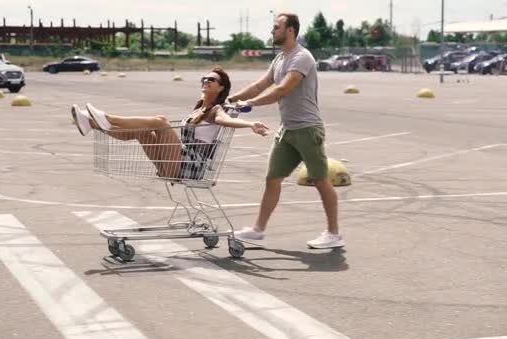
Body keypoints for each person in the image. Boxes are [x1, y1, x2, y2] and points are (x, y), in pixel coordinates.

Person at [228, 13, 344, 249]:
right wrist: (232, 97)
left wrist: (250, 105)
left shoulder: (302, 58)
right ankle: (258, 230)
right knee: (273, 179)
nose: (272, 31)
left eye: (277, 27)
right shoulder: (280, 58)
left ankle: (334, 234)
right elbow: (260, 85)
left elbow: (282, 89)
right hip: (288, 130)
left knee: (321, 180)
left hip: (307, 130)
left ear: (290, 30)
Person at [71, 67, 269, 180]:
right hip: (173, 162)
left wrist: (249, 124)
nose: (206, 80)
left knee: (161, 121)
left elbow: (225, 121)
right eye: (205, 78)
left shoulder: (216, 110)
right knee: (144, 132)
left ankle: (107, 118)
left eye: (212, 79)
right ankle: (93, 124)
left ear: (221, 87)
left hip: (190, 165)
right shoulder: (198, 109)